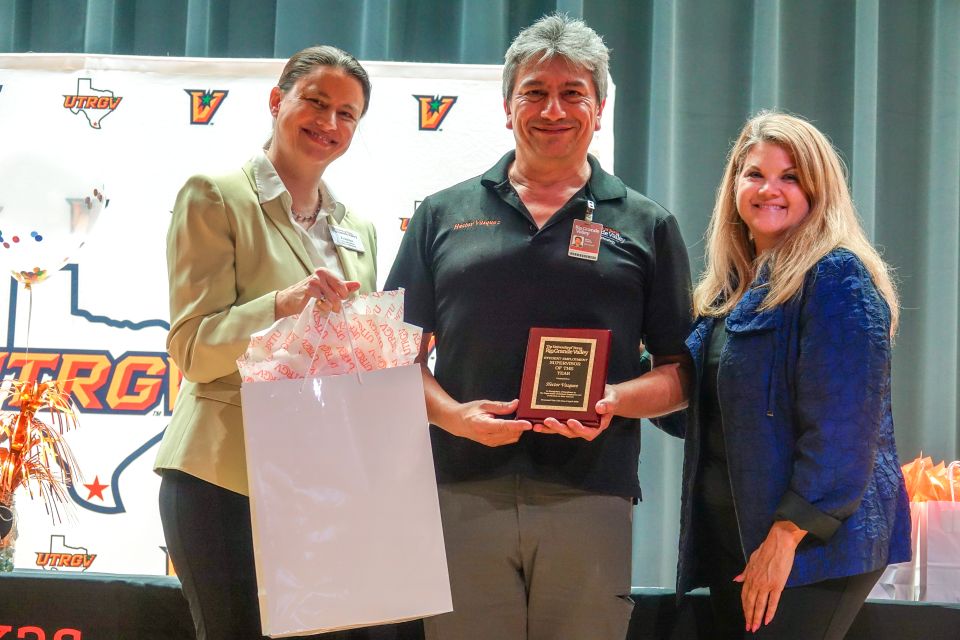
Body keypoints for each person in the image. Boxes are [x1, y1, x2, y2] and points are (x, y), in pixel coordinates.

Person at [385, 14, 692, 640]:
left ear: (600, 108)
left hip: (591, 492)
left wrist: (615, 401)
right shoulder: (441, 215)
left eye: (572, 92)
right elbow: (394, 360)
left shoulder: (646, 224)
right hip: (461, 487)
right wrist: (454, 418)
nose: (553, 109)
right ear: (507, 106)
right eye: (535, 91)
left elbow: (681, 374)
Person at [650, 111, 912, 639]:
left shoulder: (838, 276)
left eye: (790, 177)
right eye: (755, 174)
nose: (770, 189)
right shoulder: (729, 291)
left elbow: (843, 432)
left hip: (811, 544)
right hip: (739, 532)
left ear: (818, 191)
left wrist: (786, 537)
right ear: (734, 187)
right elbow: (701, 411)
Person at [154, 46, 377, 640]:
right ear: (278, 101)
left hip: (319, 482)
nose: (329, 124)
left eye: (347, 114)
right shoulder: (217, 195)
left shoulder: (361, 228)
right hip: (223, 475)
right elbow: (194, 352)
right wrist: (281, 305)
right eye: (316, 102)